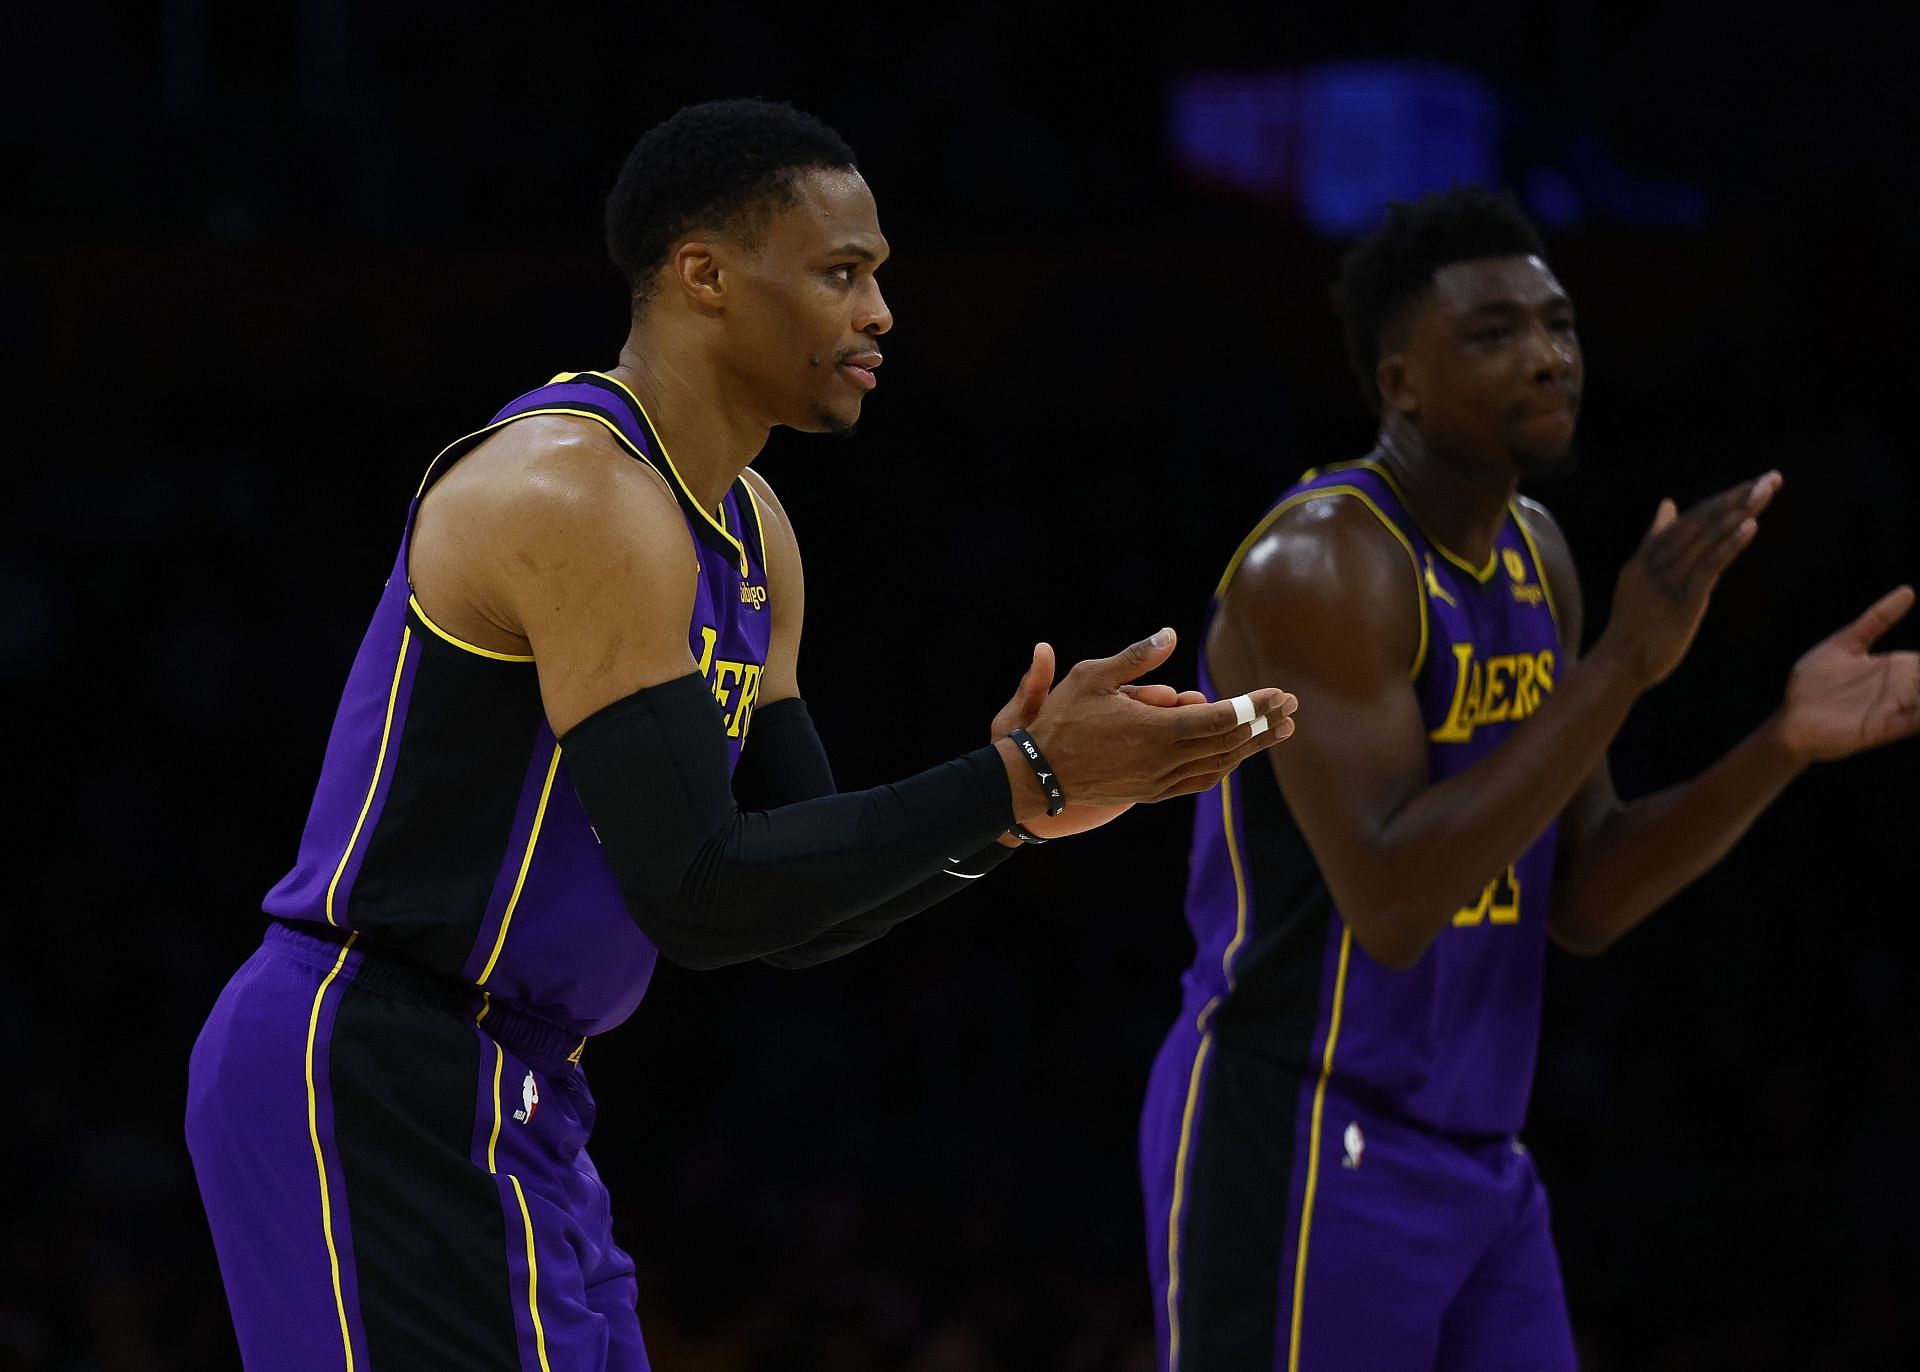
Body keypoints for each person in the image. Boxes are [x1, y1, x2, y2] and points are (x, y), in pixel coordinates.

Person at [185, 99, 1295, 1371]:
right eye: (842, 274)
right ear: (702, 273)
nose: (880, 314)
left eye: (880, 276)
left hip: (523, 1087)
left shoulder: (753, 529)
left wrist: (1022, 809)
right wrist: (1019, 773)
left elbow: (796, 907)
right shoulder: (576, 488)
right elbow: (700, 892)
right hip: (369, 1058)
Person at [1138, 185, 1920, 1371]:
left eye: (1558, 325)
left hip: (1483, 1161)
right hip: (1304, 1131)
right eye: (1495, 334)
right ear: (1399, 381)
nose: (1549, 358)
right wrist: (1620, 665)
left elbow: (1585, 892)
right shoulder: (1325, 561)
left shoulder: (1536, 553)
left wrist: (1781, 744)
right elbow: (1395, 903)